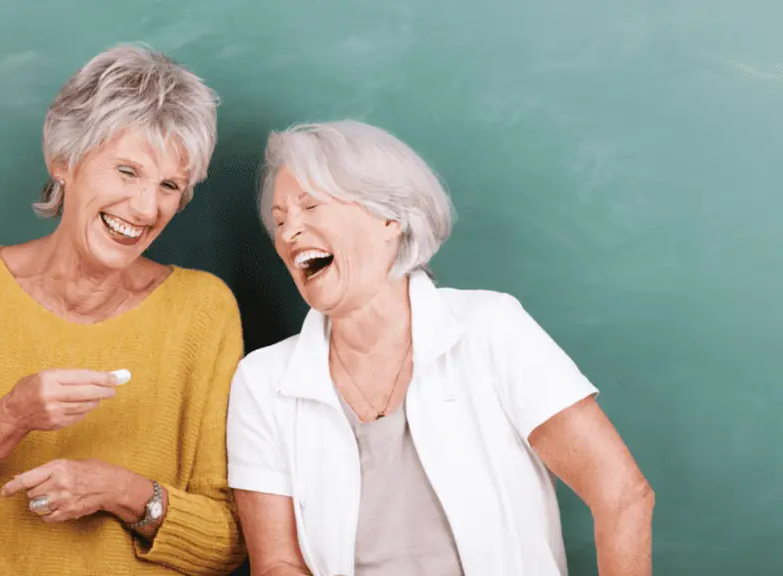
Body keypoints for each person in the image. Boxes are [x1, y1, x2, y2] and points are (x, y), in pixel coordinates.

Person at [0, 44, 246, 576]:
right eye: (126, 171)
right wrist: (10, 419)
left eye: (168, 186)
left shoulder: (203, 311)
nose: (145, 207)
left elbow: (225, 544)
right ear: (64, 160)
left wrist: (120, 491)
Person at [226, 120, 655, 576]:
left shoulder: (491, 329)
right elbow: (278, 564)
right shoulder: (262, 381)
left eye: (310, 206)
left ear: (389, 218)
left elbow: (622, 495)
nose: (289, 233)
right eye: (280, 220)